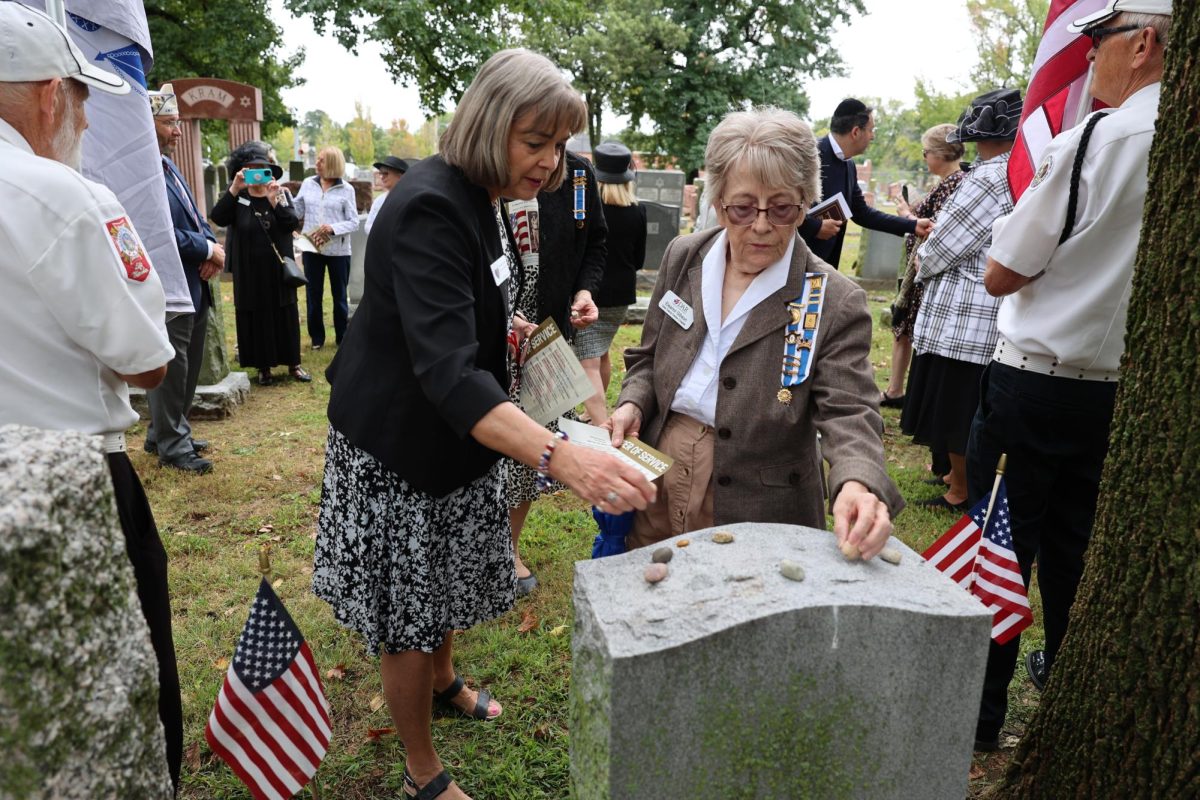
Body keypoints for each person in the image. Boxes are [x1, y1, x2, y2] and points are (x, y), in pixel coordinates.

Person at [312, 49, 654, 800]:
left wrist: (511, 322)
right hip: (402, 446)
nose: (550, 162)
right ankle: (422, 772)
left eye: (560, 145)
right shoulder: (433, 202)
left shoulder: (485, 194)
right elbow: (445, 373)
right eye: (536, 142)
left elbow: (473, 298)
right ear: (490, 124)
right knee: (410, 610)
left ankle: (444, 679)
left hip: (462, 437)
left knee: (445, 584)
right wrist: (563, 456)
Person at [966, 0, 1170, 751]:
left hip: (1035, 382)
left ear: (1144, 43)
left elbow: (1000, 271)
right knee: (1078, 555)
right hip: (1116, 392)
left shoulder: (1101, 137)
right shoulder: (1172, 140)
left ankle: (981, 718)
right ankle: (1067, 703)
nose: (1088, 59)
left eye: (1101, 41)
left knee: (998, 551)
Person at [0, 2, 181, 787]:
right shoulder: (62, 195)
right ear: (49, 96)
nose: (79, 117)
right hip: (74, 478)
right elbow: (146, 359)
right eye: (78, 99)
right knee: (122, 679)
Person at [608, 107, 902, 555]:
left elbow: (851, 410)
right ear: (717, 200)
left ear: (806, 202)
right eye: (743, 208)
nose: (762, 225)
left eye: (782, 208)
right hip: (661, 467)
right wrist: (633, 401)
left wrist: (857, 481)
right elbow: (648, 357)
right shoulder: (684, 256)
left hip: (759, 501)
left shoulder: (832, 298)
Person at [900, 89, 1020, 512]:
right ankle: (957, 478)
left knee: (956, 408)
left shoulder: (988, 177)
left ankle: (961, 490)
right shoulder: (1019, 171)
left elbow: (945, 244)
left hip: (963, 316)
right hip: (986, 312)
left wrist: (923, 258)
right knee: (966, 405)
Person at [503, 148, 605, 597]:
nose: (551, 156)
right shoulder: (488, 164)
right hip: (486, 331)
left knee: (530, 447)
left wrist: (583, 290)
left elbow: (595, 242)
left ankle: (508, 548)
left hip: (547, 337)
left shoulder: (579, 176)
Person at [144, 82, 223, 473]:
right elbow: (155, 230)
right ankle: (174, 448)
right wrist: (207, 250)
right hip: (168, 282)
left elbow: (194, 216)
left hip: (192, 279)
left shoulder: (169, 164)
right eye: (169, 123)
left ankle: (165, 433)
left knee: (188, 364)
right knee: (172, 366)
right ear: (147, 123)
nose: (177, 130)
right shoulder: (142, 172)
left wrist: (211, 245)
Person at [210, 141, 311, 386]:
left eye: (262, 168)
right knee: (255, 315)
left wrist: (274, 200)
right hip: (249, 270)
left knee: (284, 313)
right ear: (243, 171)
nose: (258, 173)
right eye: (252, 168)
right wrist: (234, 188)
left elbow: (291, 225)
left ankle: (293, 364)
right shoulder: (238, 197)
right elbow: (218, 217)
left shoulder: (281, 193)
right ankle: (263, 366)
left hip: (278, 268)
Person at [881, 124, 967, 411]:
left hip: (925, 275)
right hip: (916, 273)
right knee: (902, 329)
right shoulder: (945, 183)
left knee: (914, 333)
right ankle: (896, 390)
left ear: (941, 153)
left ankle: (910, 396)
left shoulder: (955, 184)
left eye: (926, 152)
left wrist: (906, 214)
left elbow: (937, 228)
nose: (924, 157)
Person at [798, 98, 932, 270]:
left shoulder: (849, 164)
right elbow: (781, 204)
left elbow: (861, 213)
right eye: (871, 130)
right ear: (855, 132)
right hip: (794, 261)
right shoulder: (808, 155)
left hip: (824, 265)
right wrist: (815, 227)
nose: (873, 136)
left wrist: (912, 225)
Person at [574, 141, 647, 426]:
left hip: (591, 293)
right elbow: (639, 259)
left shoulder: (589, 211)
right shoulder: (638, 211)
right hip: (622, 295)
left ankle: (601, 423)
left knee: (588, 361)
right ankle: (592, 415)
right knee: (601, 353)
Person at [293, 146, 360, 349]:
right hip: (311, 247)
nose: (317, 164)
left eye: (321, 160)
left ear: (332, 163)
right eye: (318, 160)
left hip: (339, 251)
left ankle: (342, 337)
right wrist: (281, 199)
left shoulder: (346, 189)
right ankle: (317, 339)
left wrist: (332, 228)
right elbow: (296, 210)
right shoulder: (308, 184)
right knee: (313, 295)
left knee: (339, 295)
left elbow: (354, 222)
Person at [365, 155, 409, 234]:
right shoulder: (379, 200)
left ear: (400, 176)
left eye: (386, 173)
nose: (382, 177)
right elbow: (368, 225)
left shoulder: (410, 199)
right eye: (380, 173)